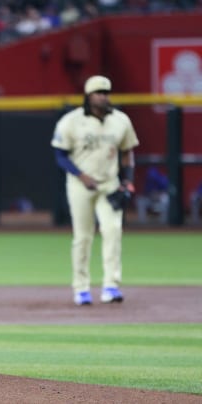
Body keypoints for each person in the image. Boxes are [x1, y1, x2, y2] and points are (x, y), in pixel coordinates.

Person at [51, 75, 139, 306]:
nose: (103, 96)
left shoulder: (121, 120)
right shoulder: (71, 121)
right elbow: (60, 154)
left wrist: (127, 180)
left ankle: (111, 285)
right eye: (99, 92)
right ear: (88, 96)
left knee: (113, 231)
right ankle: (81, 288)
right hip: (80, 186)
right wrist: (81, 175)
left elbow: (128, 152)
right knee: (83, 237)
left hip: (109, 184)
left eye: (106, 92)